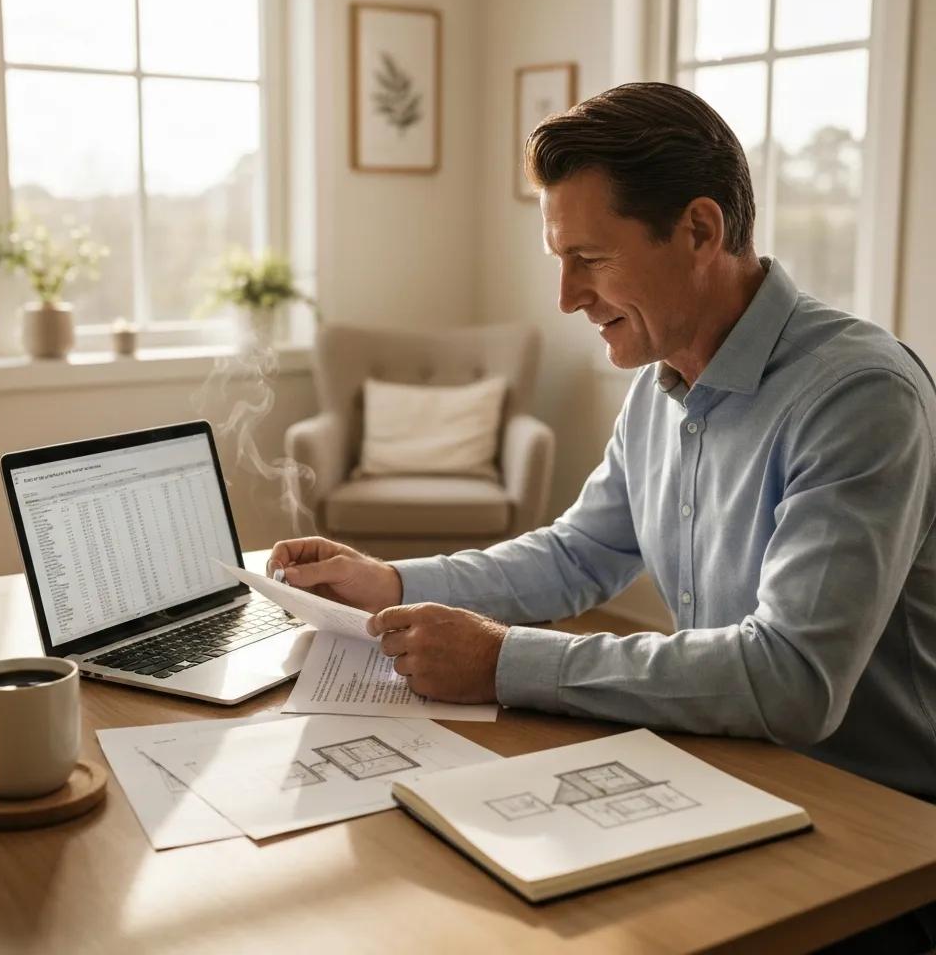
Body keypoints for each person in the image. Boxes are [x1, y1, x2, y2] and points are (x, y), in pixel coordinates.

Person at [270, 83, 936, 951]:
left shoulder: (857, 397)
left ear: (700, 231)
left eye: (590, 257)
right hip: (721, 772)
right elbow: (578, 554)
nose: (565, 296)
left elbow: (791, 681)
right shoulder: (659, 384)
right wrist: (389, 581)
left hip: (871, 845)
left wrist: (504, 660)